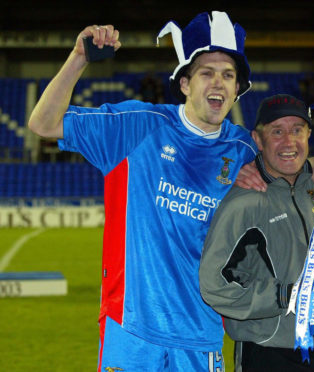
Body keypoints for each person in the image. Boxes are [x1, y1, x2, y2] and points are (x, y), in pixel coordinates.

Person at [28, 11, 259, 371]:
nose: (219, 83)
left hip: (201, 335)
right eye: (207, 73)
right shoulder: (137, 126)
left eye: (228, 75)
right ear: (184, 83)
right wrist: (78, 59)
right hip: (131, 329)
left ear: (236, 89)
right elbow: (43, 123)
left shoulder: (245, 150)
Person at [199, 94, 314, 372]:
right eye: (277, 132)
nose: (289, 142)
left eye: (296, 130)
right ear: (258, 139)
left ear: (308, 135)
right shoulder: (243, 202)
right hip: (272, 351)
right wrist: (287, 296)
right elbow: (214, 286)